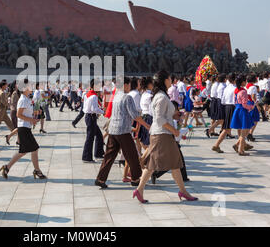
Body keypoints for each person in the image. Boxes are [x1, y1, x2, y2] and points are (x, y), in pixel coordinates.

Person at [134, 70, 198, 203]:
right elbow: (159, 119)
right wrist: (174, 130)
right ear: (164, 81)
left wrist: (175, 116)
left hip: (162, 134)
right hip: (162, 134)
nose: (171, 81)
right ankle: (140, 189)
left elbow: (163, 116)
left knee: (174, 163)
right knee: (155, 164)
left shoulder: (161, 95)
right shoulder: (161, 97)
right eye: (169, 78)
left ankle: (182, 191)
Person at [95, 77, 150, 189]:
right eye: (128, 84)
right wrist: (147, 125)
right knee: (132, 156)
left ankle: (100, 178)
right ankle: (135, 179)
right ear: (125, 85)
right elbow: (135, 116)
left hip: (113, 130)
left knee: (109, 156)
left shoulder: (115, 97)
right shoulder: (127, 97)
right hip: (123, 131)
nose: (130, 86)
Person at [0, 80, 46, 180]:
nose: (31, 87)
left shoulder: (27, 99)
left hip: (26, 127)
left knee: (24, 151)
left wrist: (35, 113)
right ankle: (37, 170)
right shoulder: (22, 100)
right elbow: (18, 115)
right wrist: (31, 120)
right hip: (23, 128)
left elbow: (27, 113)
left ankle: (7, 167)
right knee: (33, 149)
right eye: (29, 86)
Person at [212, 73, 238, 153]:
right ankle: (216, 145)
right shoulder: (235, 88)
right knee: (229, 128)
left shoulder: (226, 88)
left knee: (229, 127)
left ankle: (240, 143)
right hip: (233, 107)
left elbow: (222, 100)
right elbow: (236, 100)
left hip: (226, 106)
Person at [230, 75, 255, 156]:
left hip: (237, 109)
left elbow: (234, 101)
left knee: (244, 130)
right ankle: (241, 150)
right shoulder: (243, 91)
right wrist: (251, 107)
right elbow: (244, 104)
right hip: (243, 111)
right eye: (245, 81)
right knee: (245, 130)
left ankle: (237, 145)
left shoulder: (236, 90)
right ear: (243, 82)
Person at [82, 79, 105, 163]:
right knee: (90, 138)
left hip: (89, 116)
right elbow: (94, 109)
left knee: (98, 135)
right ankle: (86, 157)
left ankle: (98, 154)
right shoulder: (94, 96)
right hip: (91, 117)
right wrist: (103, 111)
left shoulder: (87, 94)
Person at [246, 74, 261, 142]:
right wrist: (257, 105)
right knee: (255, 119)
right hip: (252, 103)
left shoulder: (247, 86)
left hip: (248, 103)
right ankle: (250, 133)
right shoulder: (253, 87)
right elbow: (253, 97)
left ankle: (249, 133)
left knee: (250, 119)